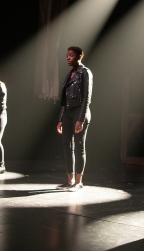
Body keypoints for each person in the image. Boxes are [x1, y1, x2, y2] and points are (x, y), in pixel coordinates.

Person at [56, 46, 93, 191]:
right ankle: (69, 181)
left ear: (79, 57)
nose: (68, 57)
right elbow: (64, 100)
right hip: (67, 113)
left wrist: (81, 119)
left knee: (79, 146)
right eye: (67, 55)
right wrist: (60, 119)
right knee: (67, 146)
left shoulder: (85, 72)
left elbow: (87, 97)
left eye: (71, 55)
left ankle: (79, 182)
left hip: (79, 113)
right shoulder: (69, 74)